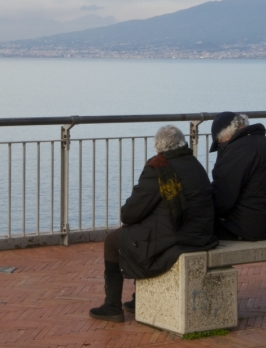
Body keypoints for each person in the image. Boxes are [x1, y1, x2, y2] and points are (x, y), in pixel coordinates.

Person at [88, 125, 218, 323]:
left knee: (115, 241)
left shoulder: (158, 169)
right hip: (202, 236)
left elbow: (130, 214)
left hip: (178, 238)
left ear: (158, 147)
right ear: (182, 143)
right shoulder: (194, 164)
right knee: (143, 233)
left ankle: (112, 306)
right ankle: (138, 298)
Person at [210, 112, 266, 241]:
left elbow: (222, 197)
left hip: (248, 227)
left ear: (225, 135)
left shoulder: (238, 151)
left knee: (192, 230)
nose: (220, 147)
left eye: (219, 143)